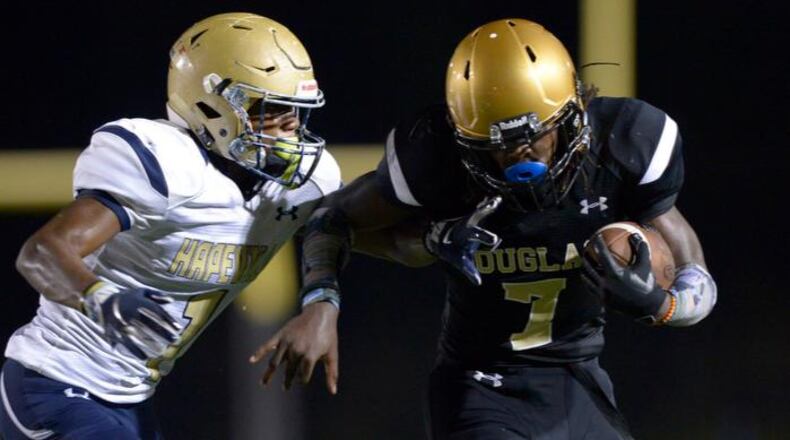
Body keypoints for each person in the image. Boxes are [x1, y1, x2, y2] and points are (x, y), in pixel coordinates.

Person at [258, 18, 718, 440]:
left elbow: (697, 279)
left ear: (571, 114)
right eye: (495, 146)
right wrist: (322, 302)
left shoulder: (624, 144)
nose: (519, 158)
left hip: (579, 378)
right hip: (481, 387)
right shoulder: (436, 157)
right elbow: (331, 217)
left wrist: (662, 303)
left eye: (532, 137)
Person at [0, 12, 342, 439]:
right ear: (209, 105)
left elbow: (336, 225)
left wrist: (322, 303)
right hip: (53, 384)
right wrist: (100, 298)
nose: (289, 127)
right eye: (269, 109)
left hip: (132, 400)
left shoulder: (303, 184)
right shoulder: (165, 163)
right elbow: (41, 252)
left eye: (295, 110)